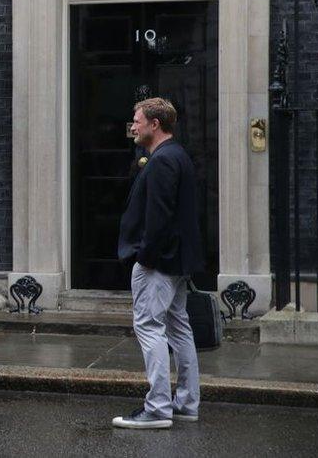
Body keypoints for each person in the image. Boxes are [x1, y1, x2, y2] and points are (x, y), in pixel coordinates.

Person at [112, 97, 202, 429]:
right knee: (179, 328)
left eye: (137, 120)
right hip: (177, 260)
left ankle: (158, 407)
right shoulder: (175, 155)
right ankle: (187, 402)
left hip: (159, 262)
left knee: (150, 327)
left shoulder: (163, 161)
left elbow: (159, 217)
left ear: (154, 124)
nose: (132, 126)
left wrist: (145, 258)